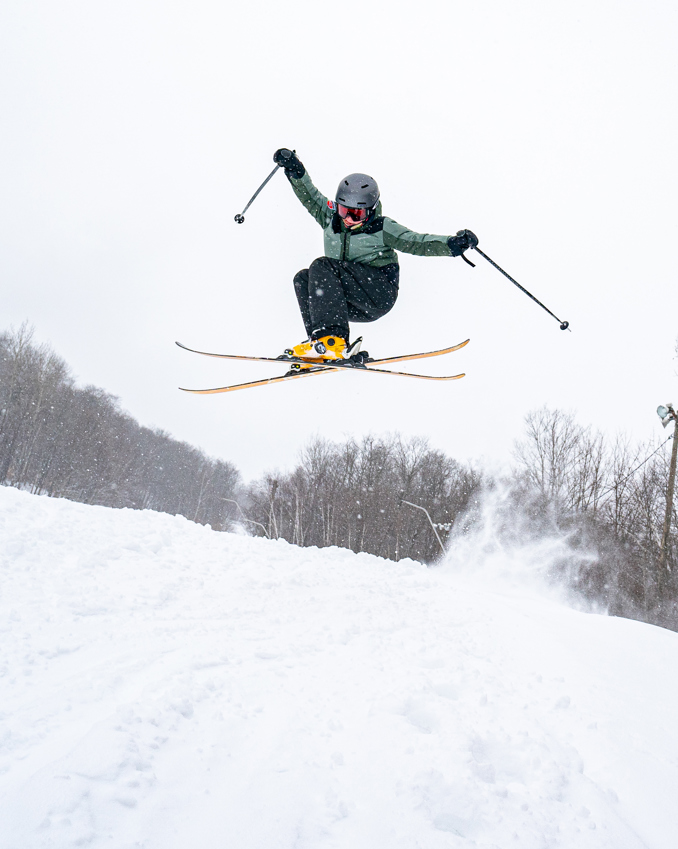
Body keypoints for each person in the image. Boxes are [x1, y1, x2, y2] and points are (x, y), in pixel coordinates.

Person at [273, 148, 478, 365]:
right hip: (348, 300)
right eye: (344, 211)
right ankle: (320, 344)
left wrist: (452, 245)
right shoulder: (330, 218)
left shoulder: (381, 228)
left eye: (357, 214)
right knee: (303, 279)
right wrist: (295, 169)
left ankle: (332, 340)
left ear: (371, 210)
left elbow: (417, 242)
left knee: (323, 266)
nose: (349, 219)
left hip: (378, 292)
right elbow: (310, 196)